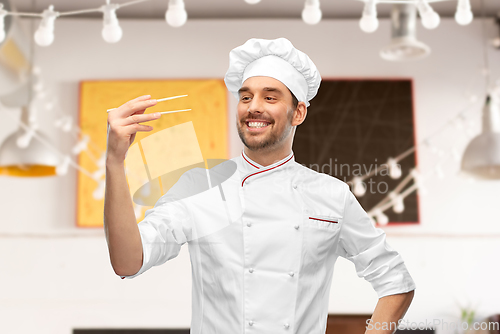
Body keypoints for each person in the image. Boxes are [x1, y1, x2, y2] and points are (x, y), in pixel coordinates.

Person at [104, 37, 416, 334]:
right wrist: (115, 163)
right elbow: (128, 262)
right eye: (245, 96)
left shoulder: (331, 194)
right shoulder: (200, 185)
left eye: (270, 96)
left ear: (298, 112)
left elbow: (396, 282)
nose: (254, 106)